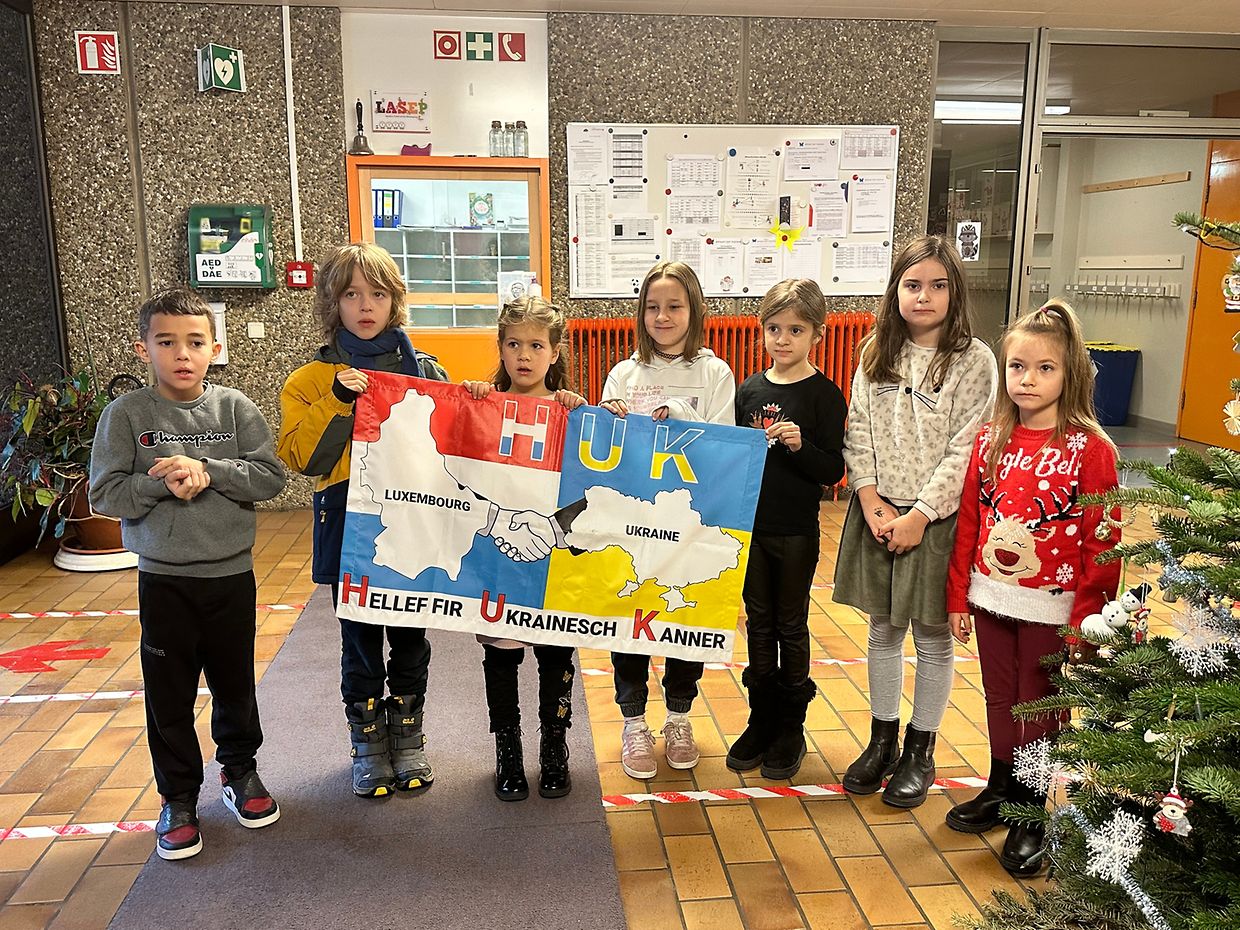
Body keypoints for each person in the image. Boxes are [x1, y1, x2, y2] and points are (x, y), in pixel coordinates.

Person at [89, 287, 286, 861]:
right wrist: (161, 480)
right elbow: (104, 494)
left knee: (234, 684)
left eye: (195, 342)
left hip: (230, 577)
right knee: (169, 694)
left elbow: (270, 477)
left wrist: (208, 468)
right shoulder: (127, 414)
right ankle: (177, 797)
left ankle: (240, 771)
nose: (182, 353)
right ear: (143, 349)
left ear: (214, 348)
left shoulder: (235, 409)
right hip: (164, 582)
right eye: (167, 342)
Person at [945, 299, 1119, 876]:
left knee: (1038, 705)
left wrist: (1086, 624)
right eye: (1017, 366)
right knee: (999, 697)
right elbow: (970, 523)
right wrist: (958, 596)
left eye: (1045, 368)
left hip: (1054, 608)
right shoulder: (990, 440)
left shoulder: (1091, 450)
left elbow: (1103, 544)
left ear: (1071, 374)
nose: (1027, 379)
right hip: (992, 597)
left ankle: (1030, 807)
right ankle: (1001, 786)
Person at [277, 243, 446, 798]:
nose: (365, 306)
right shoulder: (309, 380)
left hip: (412, 528)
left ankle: (409, 735)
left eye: (377, 293)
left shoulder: (426, 371)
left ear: (395, 301)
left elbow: (456, 447)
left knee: (411, 637)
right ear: (333, 302)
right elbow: (305, 459)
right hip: (349, 528)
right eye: (351, 294)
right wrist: (338, 400)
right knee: (360, 641)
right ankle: (368, 744)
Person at [834, 235, 997, 808]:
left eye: (937, 285)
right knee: (883, 629)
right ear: (895, 291)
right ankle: (881, 740)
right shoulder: (875, 351)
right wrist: (872, 502)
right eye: (912, 285)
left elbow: (966, 448)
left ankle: (919, 748)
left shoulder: (974, 360)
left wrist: (920, 516)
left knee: (930, 635)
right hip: (879, 511)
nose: (924, 296)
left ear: (955, 293)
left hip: (936, 519)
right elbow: (858, 429)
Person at [599, 260, 736, 780]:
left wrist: (680, 412)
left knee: (685, 620)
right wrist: (608, 420)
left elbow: (724, 446)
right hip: (634, 522)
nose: (663, 316)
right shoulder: (624, 373)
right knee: (628, 618)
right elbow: (605, 453)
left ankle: (679, 717)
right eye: (652, 307)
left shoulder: (715, 373)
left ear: (694, 310)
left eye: (674, 306)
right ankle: (633, 721)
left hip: (694, 522)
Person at [461, 297, 586, 802]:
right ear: (501, 348)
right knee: (502, 655)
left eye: (536, 345)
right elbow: (460, 478)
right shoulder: (484, 405)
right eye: (514, 344)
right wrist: (470, 401)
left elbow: (591, 486)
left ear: (554, 352)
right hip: (499, 560)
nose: (524, 355)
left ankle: (554, 746)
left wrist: (594, 414)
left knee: (556, 655)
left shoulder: (569, 410)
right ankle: (507, 749)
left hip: (553, 563)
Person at [728, 279, 846, 780]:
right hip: (752, 529)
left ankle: (791, 726)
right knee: (759, 623)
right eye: (774, 328)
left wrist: (801, 447)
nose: (783, 339)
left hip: (796, 531)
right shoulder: (749, 390)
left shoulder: (824, 395)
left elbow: (833, 470)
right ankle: (761, 719)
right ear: (762, 330)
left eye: (795, 330)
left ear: (817, 334)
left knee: (791, 625)